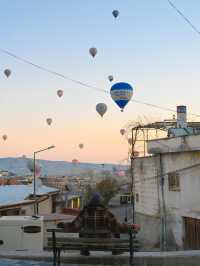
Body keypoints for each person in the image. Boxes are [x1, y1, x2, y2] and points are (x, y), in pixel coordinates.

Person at [57, 192, 140, 256]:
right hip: (106, 244)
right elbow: (118, 227)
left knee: (82, 232)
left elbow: (74, 226)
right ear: (100, 202)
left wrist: (63, 225)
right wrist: (131, 226)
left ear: (91, 201)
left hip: (88, 244)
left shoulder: (85, 212)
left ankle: (84, 250)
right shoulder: (106, 213)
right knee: (115, 232)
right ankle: (115, 250)